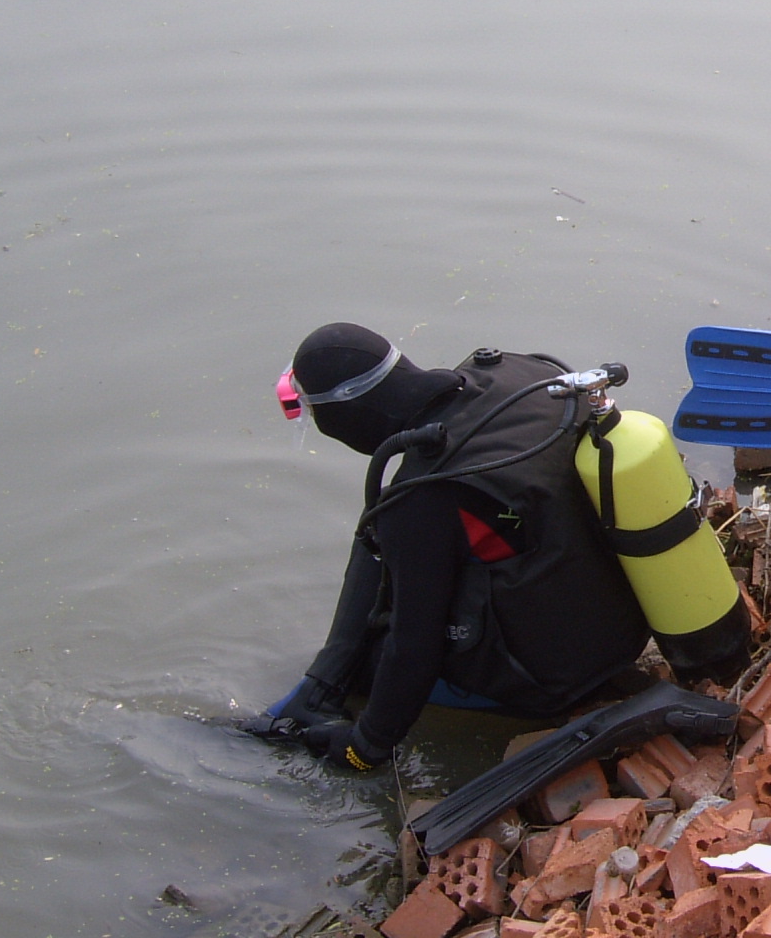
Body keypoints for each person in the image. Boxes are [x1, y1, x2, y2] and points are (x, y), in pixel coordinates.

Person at [241, 323, 651, 770]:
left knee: (368, 666)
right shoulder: (516, 375)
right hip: (627, 621)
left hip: (557, 678)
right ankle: (320, 684)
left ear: (345, 414)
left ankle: (300, 705)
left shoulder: (426, 496)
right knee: (381, 527)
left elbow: (414, 649)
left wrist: (364, 746)